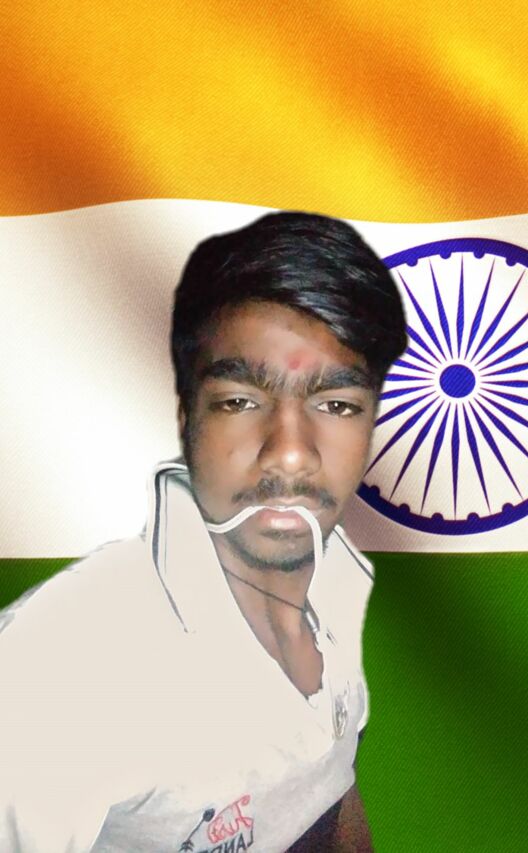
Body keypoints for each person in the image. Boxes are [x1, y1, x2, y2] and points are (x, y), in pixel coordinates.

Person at [0, 211, 407, 852]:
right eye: (241, 401)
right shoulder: (57, 674)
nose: (290, 453)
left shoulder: (334, 582)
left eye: (336, 405)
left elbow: (332, 788)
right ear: (188, 417)